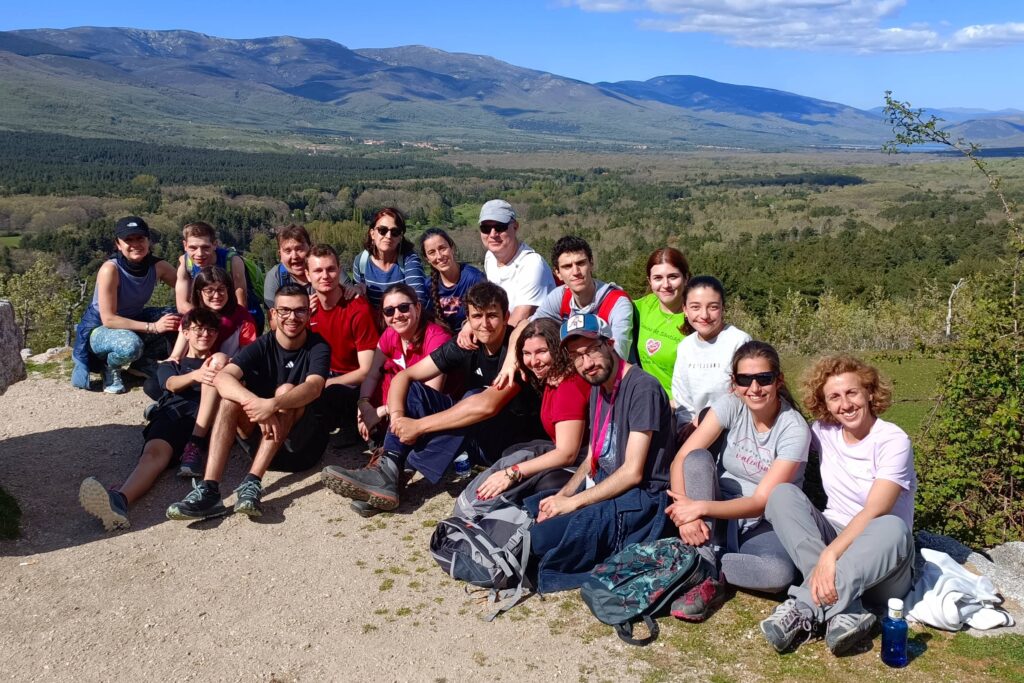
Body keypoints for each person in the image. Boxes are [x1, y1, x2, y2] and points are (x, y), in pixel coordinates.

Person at [321, 282, 543, 513]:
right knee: (416, 391)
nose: (484, 324)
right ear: (467, 318)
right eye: (477, 316)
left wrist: (417, 426)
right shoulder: (466, 343)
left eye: (492, 316)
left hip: (509, 442)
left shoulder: (519, 353)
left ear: (506, 316)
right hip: (476, 434)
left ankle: (391, 476)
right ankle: (388, 472)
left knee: (471, 398)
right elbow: (404, 377)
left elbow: (486, 406)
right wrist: (398, 419)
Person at [760, 355, 916, 656]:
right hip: (836, 534)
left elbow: (875, 510)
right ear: (825, 404)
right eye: (834, 397)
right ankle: (847, 611)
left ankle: (803, 607)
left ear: (869, 392)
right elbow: (782, 427)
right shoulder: (823, 431)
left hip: (883, 557)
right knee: (781, 495)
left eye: (852, 393)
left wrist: (830, 554)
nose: (845, 404)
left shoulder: (893, 440)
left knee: (892, 526)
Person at [523, 313, 675, 593]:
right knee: (536, 507)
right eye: (576, 356)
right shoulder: (599, 384)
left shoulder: (643, 388)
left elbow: (632, 472)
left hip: (641, 497)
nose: (586, 363)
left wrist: (574, 503)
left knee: (539, 542)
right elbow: (594, 451)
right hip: (606, 480)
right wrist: (564, 495)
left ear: (611, 343)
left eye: (592, 350)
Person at [665, 341, 810, 622]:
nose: (754, 388)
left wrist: (699, 509)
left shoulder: (793, 429)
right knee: (696, 459)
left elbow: (759, 503)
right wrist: (686, 516)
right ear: (735, 383)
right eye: (745, 379)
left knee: (779, 573)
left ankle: (703, 566)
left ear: (778, 381)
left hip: (763, 520)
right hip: (714, 509)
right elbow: (680, 459)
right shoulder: (731, 405)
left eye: (763, 379)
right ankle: (705, 561)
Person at [165, 284, 330, 521]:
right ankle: (209, 490)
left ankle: (252, 483)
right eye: (284, 310)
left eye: (300, 311)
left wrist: (272, 404)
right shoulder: (263, 344)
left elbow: (314, 387)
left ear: (309, 314)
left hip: (300, 449)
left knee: (287, 391)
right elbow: (222, 377)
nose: (292, 317)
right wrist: (256, 402)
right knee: (230, 399)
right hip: (260, 439)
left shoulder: (318, 346)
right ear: (273, 314)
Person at [79, 309, 224, 531]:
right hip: (172, 414)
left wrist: (216, 364)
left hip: (203, 419)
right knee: (153, 456)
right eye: (198, 329)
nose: (205, 334)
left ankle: (193, 447)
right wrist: (195, 375)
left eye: (210, 330)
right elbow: (171, 384)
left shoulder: (221, 362)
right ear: (185, 332)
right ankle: (119, 500)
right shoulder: (171, 364)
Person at [472, 318, 589, 504]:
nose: (534, 361)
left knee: (544, 482)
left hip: (585, 462)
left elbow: (567, 453)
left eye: (542, 351)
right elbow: (522, 323)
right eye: (526, 353)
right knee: (513, 451)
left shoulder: (569, 386)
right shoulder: (552, 378)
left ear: (558, 349)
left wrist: (512, 473)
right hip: (569, 452)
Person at [493, 235, 637, 385]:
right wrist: (510, 361)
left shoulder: (617, 303)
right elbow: (526, 326)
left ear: (591, 264)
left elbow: (619, 355)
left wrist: (567, 370)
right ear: (558, 273)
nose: (576, 271)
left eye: (581, 263)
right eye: (567, 266)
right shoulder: (561, 296)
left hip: (615, 382)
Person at [71, 216, 180, 394]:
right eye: (128, 239)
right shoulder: (110, 270)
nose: (135, 244)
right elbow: (109, 319)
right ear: (118, 244)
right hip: (100, 329)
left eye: (140, 238)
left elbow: (190, 288)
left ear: (148, 241)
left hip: (132, 320)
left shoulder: (158, 266)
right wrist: (153, 327)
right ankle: (109, 367)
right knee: (130, 346)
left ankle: (143, 364)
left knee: (179, 318)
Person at [171, 266, 259, 478]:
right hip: (197, 374)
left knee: (216, 361)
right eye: (209, 290)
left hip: (234, 373)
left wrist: (225, 362)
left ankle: (195, 443)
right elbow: (176, 355)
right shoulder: (192, 316)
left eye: (221, 289)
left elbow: (250, 354)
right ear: (199, 293)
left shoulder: (241, 316)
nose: (216, 295)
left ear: (229, 291)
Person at [356, 283, 451, 450]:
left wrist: (381, 411)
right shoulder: (390, 334)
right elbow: (372, 374)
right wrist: (364, 405)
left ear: (418, 308)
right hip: (401, 409)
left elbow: (426, 395)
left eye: (404, 307)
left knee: (410, 387)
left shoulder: (437, 339)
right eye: (389, 311)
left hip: (433, 413)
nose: (397, 315)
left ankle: (391, 456)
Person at [306, 245, 379, 439]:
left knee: (330, 392)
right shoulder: (308, 310)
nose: (325, 276)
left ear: (339, 270)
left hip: (352, 384)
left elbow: (366, 371)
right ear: (307, 275)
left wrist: (325, 383)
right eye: (318, 271)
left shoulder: (358, 309)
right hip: (323, 375)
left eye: (330, 269)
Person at [671, 276, 752, 437]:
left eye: (713, 307)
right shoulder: (685, 347)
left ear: (723, 308)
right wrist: (687, 428)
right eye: (695, 307)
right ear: (685, 310)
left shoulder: (739, 341)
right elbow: (682, 397)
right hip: (693, 432)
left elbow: (744, 393)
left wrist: (704, 422)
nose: (704, 315)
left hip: (733, 432)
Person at [174, 221, 264, 333]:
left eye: (205, 247)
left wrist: (217, 322)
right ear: (185, 246)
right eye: (193, 248)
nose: (199, 254)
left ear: (215, 244)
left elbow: (241, 303)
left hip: (243, 317)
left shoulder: (232, 261)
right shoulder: (185, 264)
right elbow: (182, 305)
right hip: (207, 316)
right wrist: (207, 319)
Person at [479, 199, 555, 326]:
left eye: (500, 227)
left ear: (515, 227)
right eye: (485, 228)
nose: (493, 234)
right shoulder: (490, 257)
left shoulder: (532, 264)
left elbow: (518, 320)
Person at [635, 247, 690, 395]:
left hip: (681, 408)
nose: (666, 285)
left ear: (686, 278)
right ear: (649, 281)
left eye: (673, 277)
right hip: (646, 400)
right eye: (658, 278)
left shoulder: (696, 318)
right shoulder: (644, 306)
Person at [351, 208, 429, 311]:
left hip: (404, 321)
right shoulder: (361, 261)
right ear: (372, 233)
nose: (388, 236)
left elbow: (418, 300)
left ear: (400, 237)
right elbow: (357, 302)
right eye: (382, 230)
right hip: (374, 324)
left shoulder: (409, 260)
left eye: (395, 232)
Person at [419, 227, 486, 331]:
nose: (439, 256)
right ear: (427, 259)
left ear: (452, 248)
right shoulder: (428, 285)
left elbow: (485, 313)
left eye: (442, 248)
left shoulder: (474, 279)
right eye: (432, 252)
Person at [263, 224, 314, 310]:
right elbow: (273, 321)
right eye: (288, 251)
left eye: (299, 249)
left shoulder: (326, 269)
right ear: (280, 255)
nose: (294, 256)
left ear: (310, 248)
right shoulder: (275, 277)